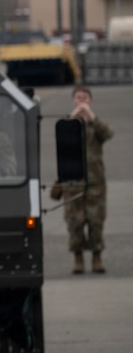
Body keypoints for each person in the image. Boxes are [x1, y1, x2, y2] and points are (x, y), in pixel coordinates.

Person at [55, 85, 113, 274]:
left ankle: (97, 257)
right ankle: (78, 258)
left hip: (95, 183)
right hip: (73, 183)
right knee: (75, 222)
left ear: (90, 101)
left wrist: (91, 116)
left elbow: (108, 134)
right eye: (78, 98)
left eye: (85, 98)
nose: (82, 101)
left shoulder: (96, 125)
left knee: (96, 221)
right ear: (73, 100)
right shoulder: (68, 124)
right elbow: (61, 136)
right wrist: (74, 117)